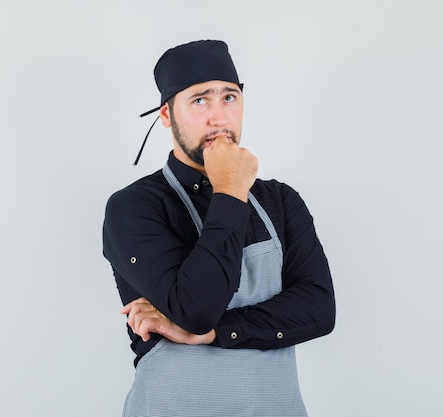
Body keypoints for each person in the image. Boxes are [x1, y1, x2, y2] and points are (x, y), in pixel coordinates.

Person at [102, 39, 335, 417]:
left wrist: (214, 333)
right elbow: (197, 308)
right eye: (199, 100)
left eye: (229, 98)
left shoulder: (281, 200)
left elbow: (319, 311)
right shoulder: (134, 207)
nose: (219, 117)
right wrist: (229, 189)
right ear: (166, 115)